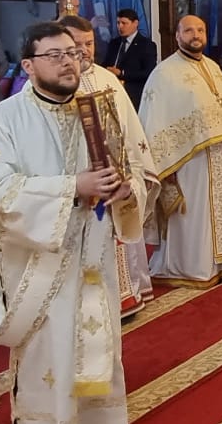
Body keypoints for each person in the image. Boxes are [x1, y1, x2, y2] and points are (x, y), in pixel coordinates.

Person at [0, 21, 157, 424]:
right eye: (54, 55)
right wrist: (70, 188)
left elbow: (136, 168)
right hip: (40, 263)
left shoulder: (99, 112)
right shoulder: (4, 120)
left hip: (93, 251)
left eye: (74, 53)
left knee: (98, 340)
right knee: (49, 354)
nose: (68, 62)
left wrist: (124, 188)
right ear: (29, 65)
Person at [140, 14, 222, 288]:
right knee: (196, 214)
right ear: (177, 35)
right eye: (188, 30)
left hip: (221, 156)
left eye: (200, 29)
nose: (195, 35)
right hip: (189, 162)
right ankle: (192, 265)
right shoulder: (164, 74)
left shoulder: (213, 68)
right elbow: (154, 121)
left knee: (220, 211)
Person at [57, 16, 157, 313]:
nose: (85, 51)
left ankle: (127, 292)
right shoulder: (57, 84)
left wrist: (136, 167)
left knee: (119, 229)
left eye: (89, 44)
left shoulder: (107, 78)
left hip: (118, 174)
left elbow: (128, 126)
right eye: (76, 45)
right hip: (83, 180)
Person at [101, 7, 157, 107]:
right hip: (111, 93)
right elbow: (105, 64)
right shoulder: (114, 43)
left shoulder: (147, 45)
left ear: (135, 23)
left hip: (134, 96)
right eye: (118, 23)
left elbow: (149, 72)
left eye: (124, 23)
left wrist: (122, 73)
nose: (120, 27)